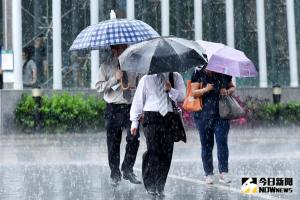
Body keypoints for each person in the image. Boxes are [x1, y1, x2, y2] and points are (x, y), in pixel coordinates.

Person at [130, 72, 185, 196]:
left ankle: (160, 185)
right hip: (151, 117)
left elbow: (182, 97)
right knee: (153, 151)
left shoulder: (175, 76)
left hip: (169, 117)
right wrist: (134, 122)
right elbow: (139, 100)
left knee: (167, 153)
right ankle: (150, 184)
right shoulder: (146, 78)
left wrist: (171, 90)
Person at [95, 44, 141, 187]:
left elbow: (141, 85)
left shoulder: (136, 65)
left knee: (133, 138)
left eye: (126, 47)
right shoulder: (105, 66)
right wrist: (115, 78)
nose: (125, 49)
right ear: (114, 50)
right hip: (113, 108)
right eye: (121, 48)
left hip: (130, 107)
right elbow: (98, 87)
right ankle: (115, 173)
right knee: (113, 142)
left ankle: (127, 169)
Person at [191, 67, 235, 184]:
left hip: (221, 115)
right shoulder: (198, 72)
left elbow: (232, 87)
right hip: (202, 116)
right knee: (206, 145)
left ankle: (223, 172)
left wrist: (227, 91)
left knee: (222, 142)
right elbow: (193, 93)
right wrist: (206, 89)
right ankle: (208, 173)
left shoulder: (224, 72)